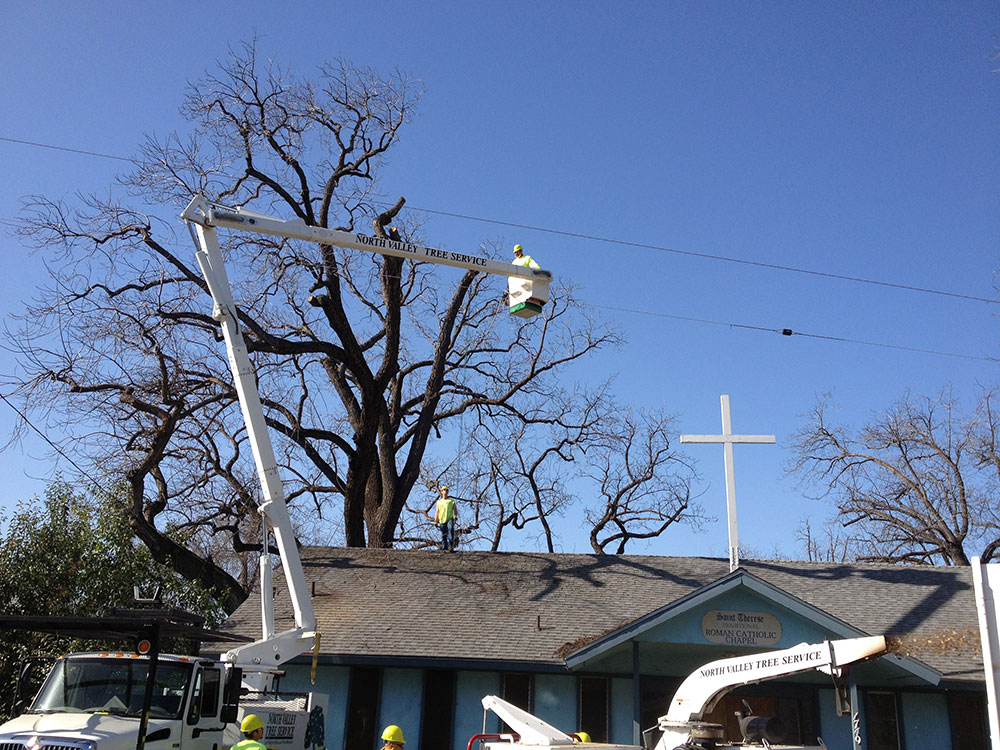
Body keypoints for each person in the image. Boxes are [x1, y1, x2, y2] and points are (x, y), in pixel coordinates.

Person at [435, 485, 457, 551]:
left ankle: (451, 546)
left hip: (450, 518)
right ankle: (444, 547)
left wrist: (455, 516)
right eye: (444, 490)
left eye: (447, 490)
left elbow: (455, 510)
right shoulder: (439, 502)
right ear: (441, 492)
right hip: (442, 520)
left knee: (450, 530)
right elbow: (437, 512)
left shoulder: (451, 501)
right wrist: (435, 521)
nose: (445, 491)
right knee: (443, 534)